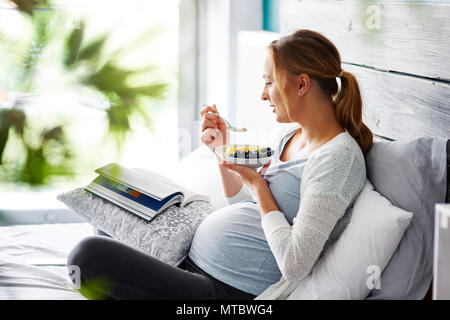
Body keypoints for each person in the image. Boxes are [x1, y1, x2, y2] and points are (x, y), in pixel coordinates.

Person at [67, 29, 372, 300]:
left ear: (302, 84)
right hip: (190, 260)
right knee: (111, 218)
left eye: (269, 83)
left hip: (226, 289)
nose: (262, 94)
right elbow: (243, 204)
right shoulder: (290, 135)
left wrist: (259, 187)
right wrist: (221, 151)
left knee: (88, 256)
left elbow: (295, 263)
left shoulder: (338, 159)